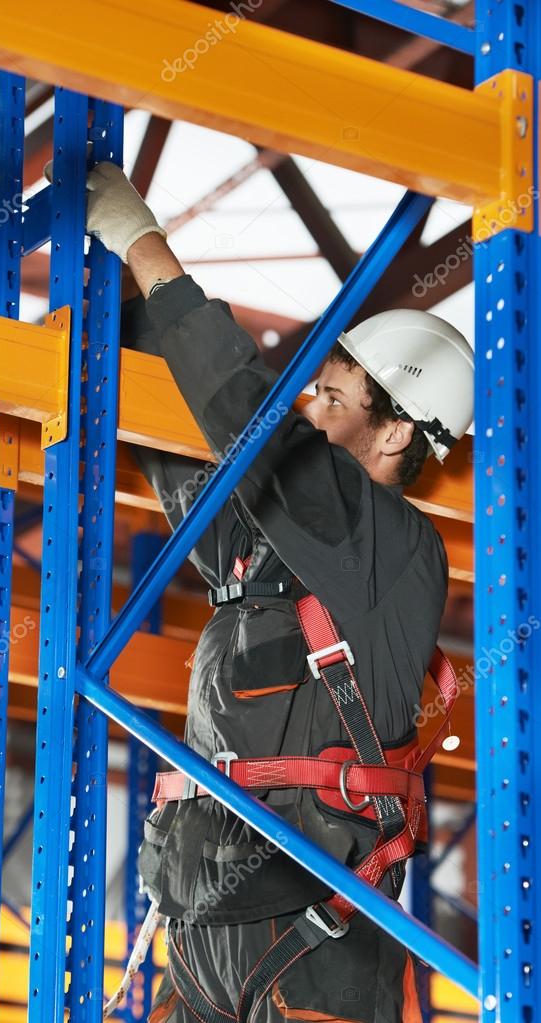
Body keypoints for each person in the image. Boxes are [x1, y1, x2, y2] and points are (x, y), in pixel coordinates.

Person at [70, 162, 474, 1023]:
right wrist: (118, 294)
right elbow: (191, 452)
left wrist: (146, 248)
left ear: (396, 430)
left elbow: (251, 430)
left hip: (314, 927)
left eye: (330, 394)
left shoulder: (388, 546)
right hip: (204, 918)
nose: (306, 402)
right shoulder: (256, 554)